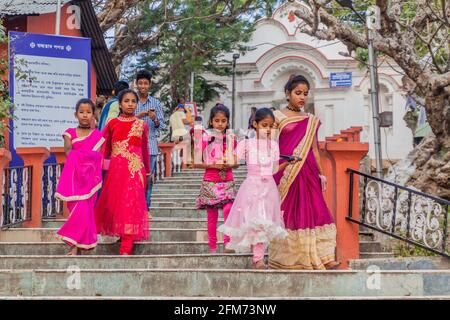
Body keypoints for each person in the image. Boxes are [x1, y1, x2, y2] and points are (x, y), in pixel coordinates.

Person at [268, 75, 339, 270]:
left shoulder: (311, 120)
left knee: (318, 211)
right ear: (287, 94)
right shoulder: (276, 117)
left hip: (308, 173)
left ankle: (325, 257)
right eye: (298, 93)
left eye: (305, 94)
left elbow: (315, 149)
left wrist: (321, 173)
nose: (302, 97)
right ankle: (288, 258)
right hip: (286, 172)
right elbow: (271, 147)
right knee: (290, 214)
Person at [218, 108, 292, 269]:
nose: (268, 129)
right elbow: (233, 161)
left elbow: (273, 170)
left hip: (268, 188)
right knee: (249, 220)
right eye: (265, 125)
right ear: (255, 124)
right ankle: (240, 246)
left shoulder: (273, 145)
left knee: (262, 222)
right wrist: (225, 161)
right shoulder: (246, 143)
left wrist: (286, 163)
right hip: (251, 186)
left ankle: (258, 258)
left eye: (271, 126)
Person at [95, 89, 150, 255]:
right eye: (127, 101)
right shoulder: (112, 124)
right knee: (117, 203)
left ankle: (126, 244)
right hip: (117, 170)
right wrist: (92, 163)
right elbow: (102, 146)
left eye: (133, 101)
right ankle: (123, 234)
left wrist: (147, 170)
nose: (130, 104)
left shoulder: (142, 125)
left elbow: (145, 149)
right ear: (120, 104)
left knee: (131, 203)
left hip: (135, 169)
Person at [55, 98, 104, 255]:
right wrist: (85, 156)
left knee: (85, 211)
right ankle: (78, 245)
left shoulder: (97, 135)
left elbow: (98, 157)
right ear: (75, 114)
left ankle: (76, 246)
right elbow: (69, 152)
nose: (85, 115)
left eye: (88, 112)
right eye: (81, 112)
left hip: (90, 179)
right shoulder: (69, 133)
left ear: (93, 115)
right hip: (75, 179)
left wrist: (85, 157)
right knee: (77, 210)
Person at [195, 104, 238, 253]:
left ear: (228, 122)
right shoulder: (205, 138)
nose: (220, 124)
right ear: (211, 121)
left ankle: (228, 243)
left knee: (229, 209)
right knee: (211, 216)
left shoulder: (231, 138)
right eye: (217, 120)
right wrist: (215, 165)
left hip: (227, 181)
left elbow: (237, 162)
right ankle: (212, 247)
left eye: (223, 121)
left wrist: (229, 164)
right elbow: (196, 162)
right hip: (210, 181)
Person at [134, 69, 165, 209]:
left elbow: (162, 125)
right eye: (140, 83)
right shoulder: (131, 100)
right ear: (136, 84)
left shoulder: (156, 103)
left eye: (145, 83)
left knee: (148, 178)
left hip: (150, 146)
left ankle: (145, 207)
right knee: (133, 178)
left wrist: (155, 119)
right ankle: (133, 206)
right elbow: (124, 121)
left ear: (150, 85)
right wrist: (139, 115)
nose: (143, 86)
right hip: (133, 146)